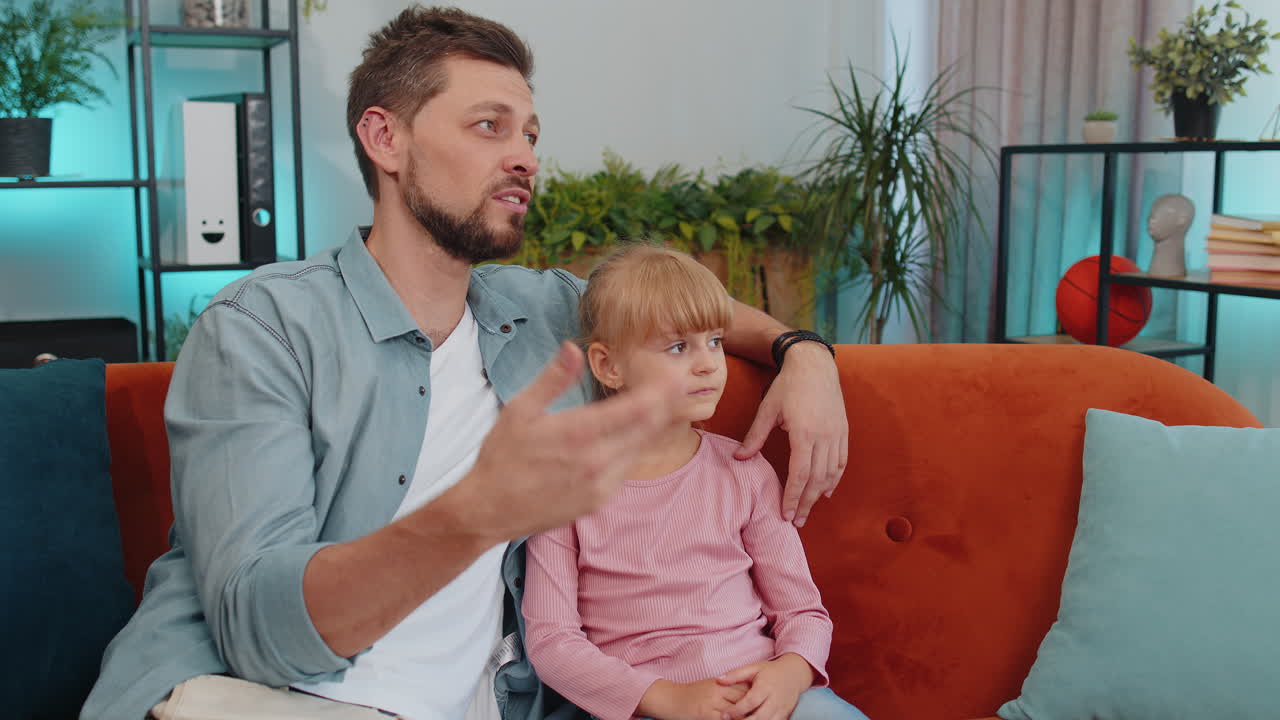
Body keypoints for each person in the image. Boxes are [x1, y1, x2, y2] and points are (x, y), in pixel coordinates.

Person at [82, 6, 847, 720]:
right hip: (267, 696)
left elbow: (680, 313)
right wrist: (474, 513)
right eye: (490, 126)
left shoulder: (547, 311)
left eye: (532, 136)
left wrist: (803, 354)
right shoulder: (263, 328)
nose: (524, 158)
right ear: (385, 139)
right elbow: (262, 634)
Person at [521, 245, 866, 720]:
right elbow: (552, 643)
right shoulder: (564, 490)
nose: (708, 364)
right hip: (643, 706)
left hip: (759, 692)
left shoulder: (744, 470)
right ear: (608, 367)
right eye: (679, 346)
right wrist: (666, 698)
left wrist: (791, 670)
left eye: (715, 341)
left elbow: (802, 612)